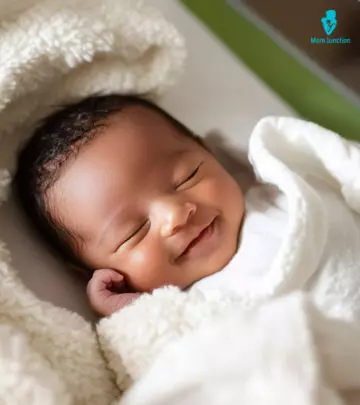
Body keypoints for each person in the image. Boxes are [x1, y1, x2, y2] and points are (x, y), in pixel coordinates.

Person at [13, 94, 245, 316]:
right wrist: (132, 313)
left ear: (208, 151)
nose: (174, 215)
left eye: (187, 177)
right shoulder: (166, 318)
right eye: (134, 232)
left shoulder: (275, 182)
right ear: (96, 275)